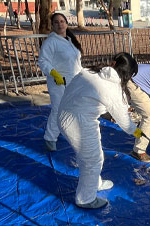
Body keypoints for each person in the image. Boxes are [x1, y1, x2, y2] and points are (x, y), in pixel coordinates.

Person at [58, 53, 140, 209]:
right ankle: (85, 198)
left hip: (68, 114)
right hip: (78, 122)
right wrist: (136, 132)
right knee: (93, 160)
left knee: (92, 155)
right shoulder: (114, 90)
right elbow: (125, 122)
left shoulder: (91, 71)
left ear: (113, 63)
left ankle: (95, 183)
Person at [38, 13, 83, 152]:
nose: (60, 24)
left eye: (62, 21)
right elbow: (43, 61)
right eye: (56, 22)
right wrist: (54, 73)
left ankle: (69, 132)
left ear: (66, 23)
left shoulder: (70, 40)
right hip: (58, 82)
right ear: (52, 25)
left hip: (73, 81)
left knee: (73, 108)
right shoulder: (51, 41)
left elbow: (76, 62)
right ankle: (50, 138)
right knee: (58, 109)